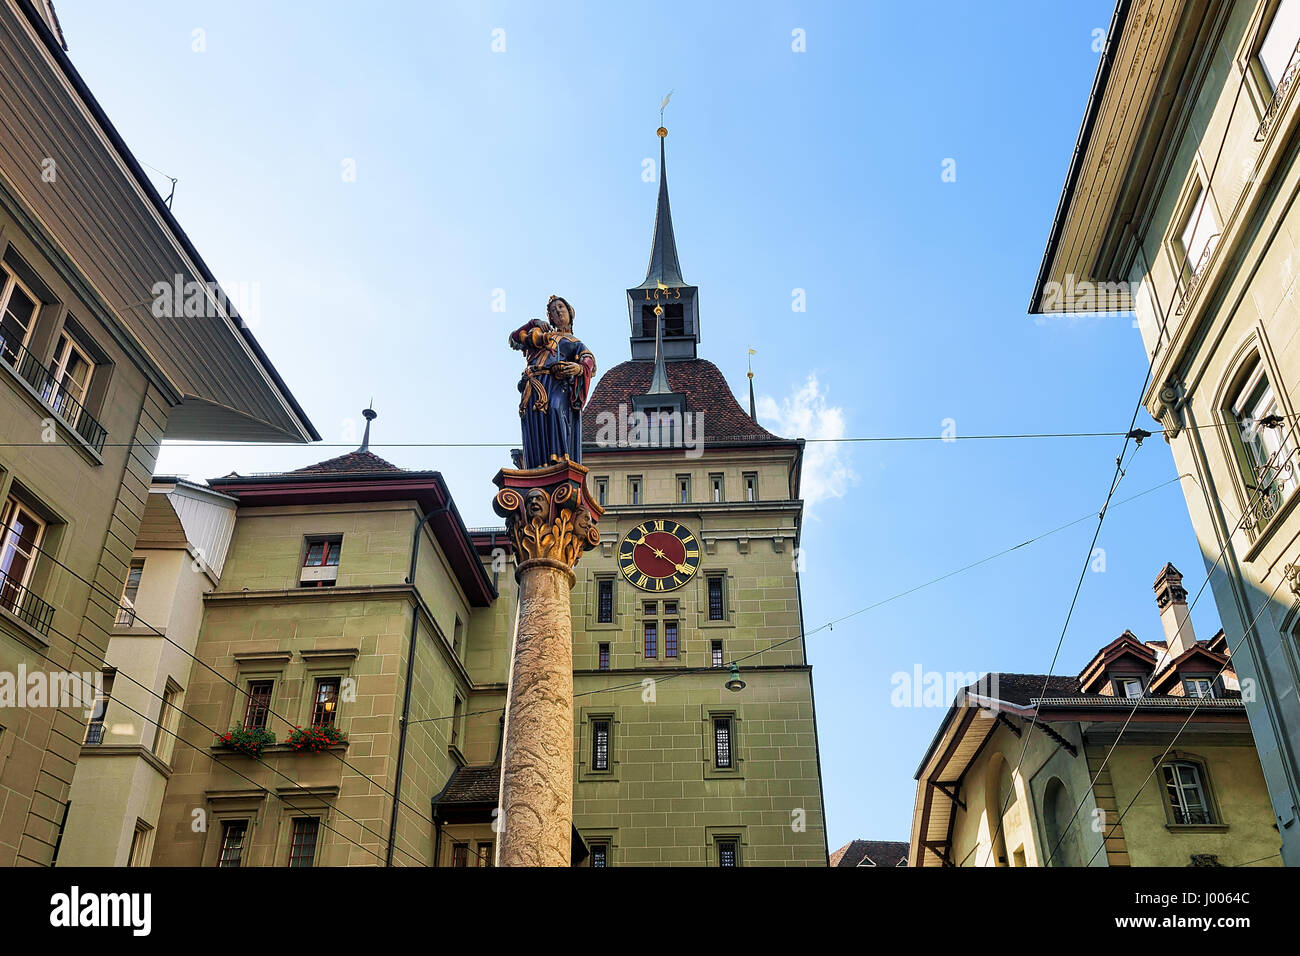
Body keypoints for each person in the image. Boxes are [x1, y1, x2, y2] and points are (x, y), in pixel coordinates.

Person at [508, 295, 596, 468]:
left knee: (556, 408)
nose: (557, 311)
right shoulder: (540, 337)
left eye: (561, 307)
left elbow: (589, 361)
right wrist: (532, 323)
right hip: (533, 384)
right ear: (550, 318)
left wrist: (579, 368)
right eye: (553, 310)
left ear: (570, 312)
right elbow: (514, 339)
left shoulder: (575, 342)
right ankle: (538, 465)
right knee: (534, 422)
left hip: (556, 382)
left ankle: (560, 460)